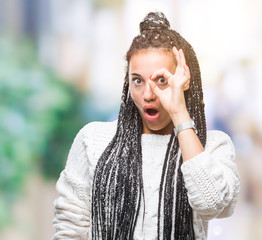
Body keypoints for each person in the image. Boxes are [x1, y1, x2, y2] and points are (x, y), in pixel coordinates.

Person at [52, 11, 240, 240]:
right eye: (137, 80)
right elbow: (70, 226)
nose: (148, 94)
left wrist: (179, 114)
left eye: (161, 80)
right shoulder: (93, 140)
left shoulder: (212, 146)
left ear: (183, 81)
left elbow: (211, 205)